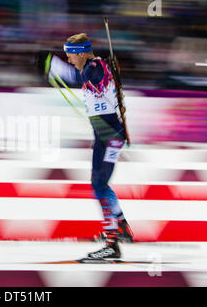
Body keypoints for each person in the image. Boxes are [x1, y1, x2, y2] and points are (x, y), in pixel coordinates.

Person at [36, 33, 133, 260]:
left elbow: (84, 76)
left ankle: (112, 242)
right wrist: (54, 66)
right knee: (99, 184)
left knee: (99, 185)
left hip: (109, 135)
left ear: (80, 53)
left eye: (70, 56)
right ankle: (120, 228)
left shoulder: (95, 67)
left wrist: (53, 66)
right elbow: (79, 75)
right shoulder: (92, 66)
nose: (69, 60)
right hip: (105, 135)